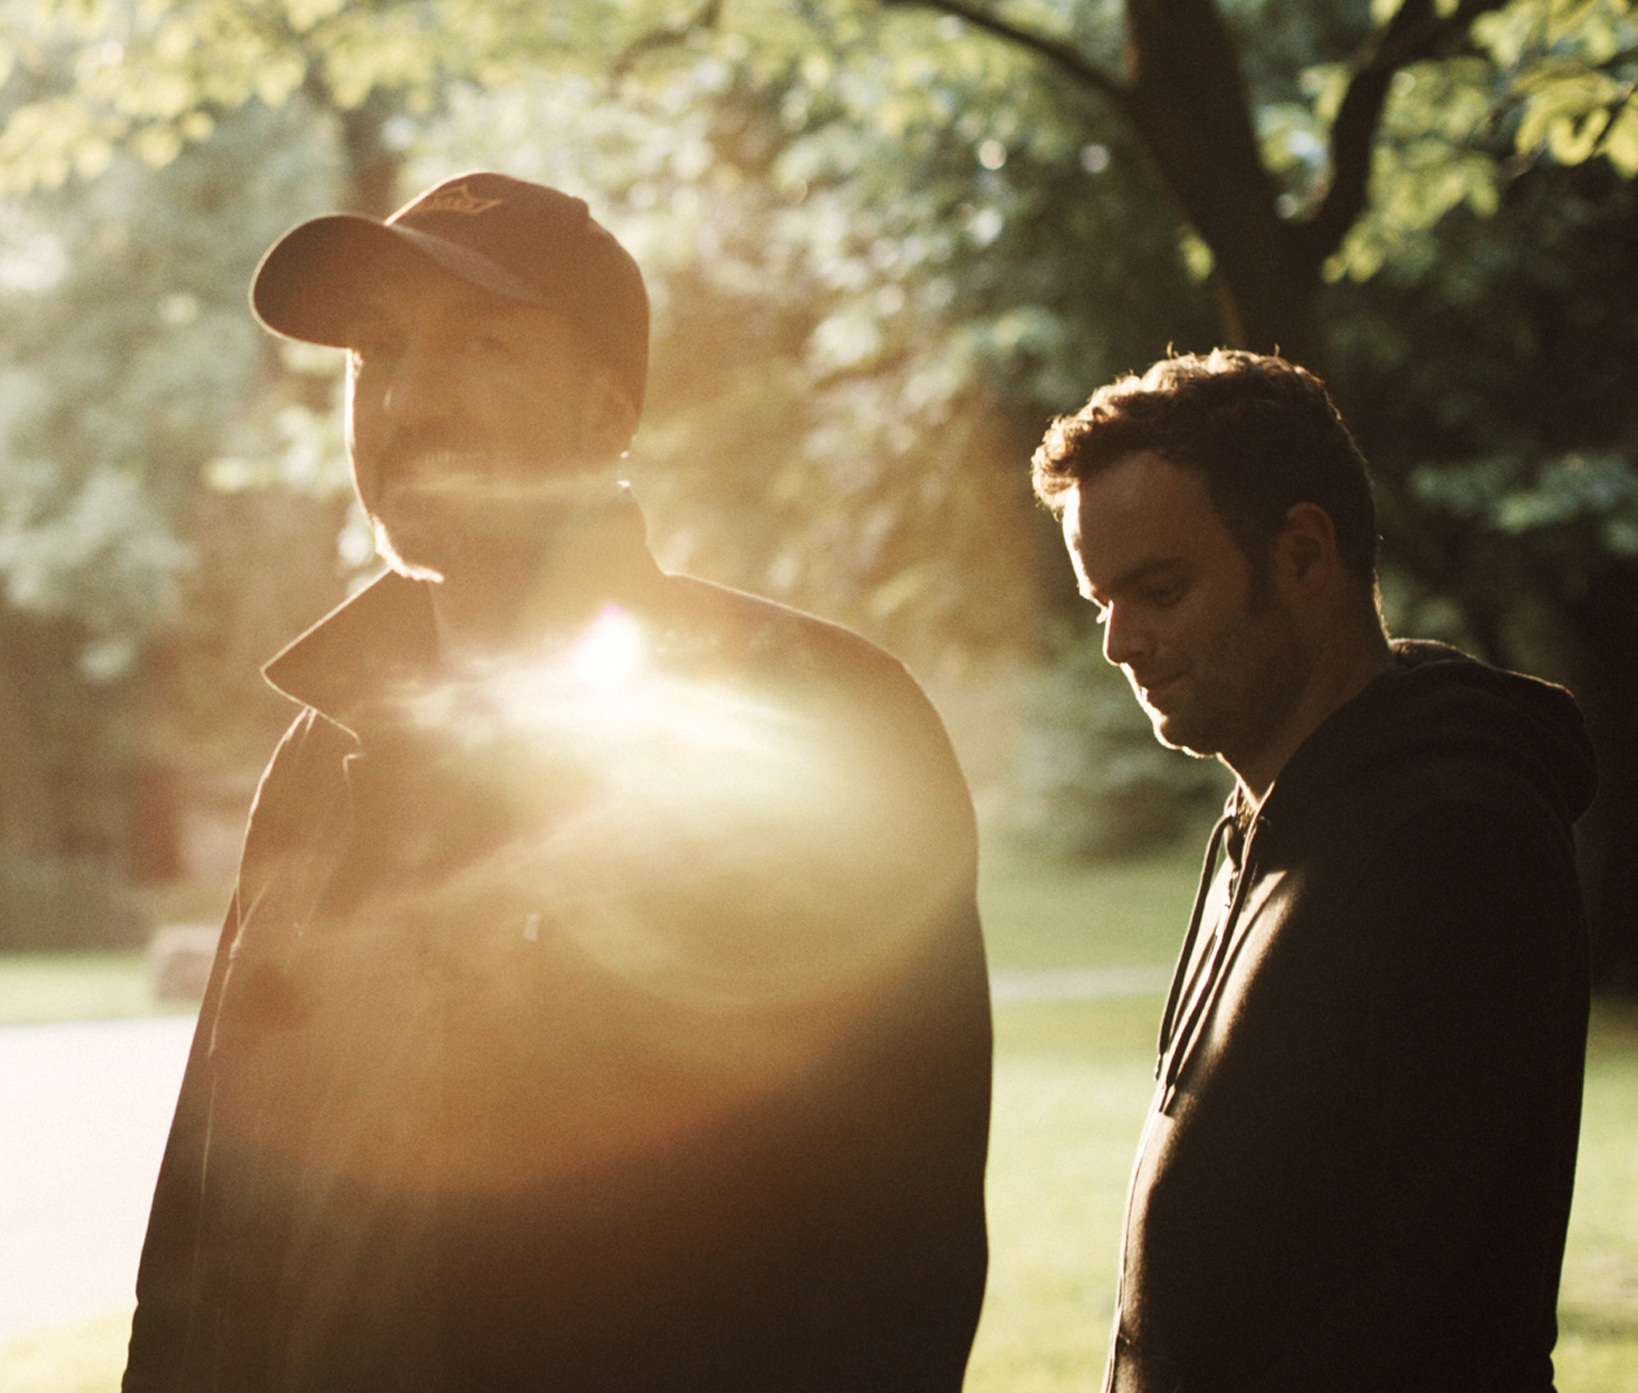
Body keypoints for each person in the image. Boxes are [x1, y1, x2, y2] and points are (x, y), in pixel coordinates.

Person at [124, 172, 993, 1393]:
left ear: (605, 414)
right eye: (378, 353)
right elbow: (209, 1209)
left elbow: (897, 1255)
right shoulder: (320, 758)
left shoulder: (815, 719)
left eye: (479, 345)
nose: (409, 399)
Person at [1035, 350, 1595, 1392]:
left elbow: (1445, 1296)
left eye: (1158, 589)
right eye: (1098, 599)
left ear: (1302, 552)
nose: (1118, 641)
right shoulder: (1261, 824)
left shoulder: (1459, 836)